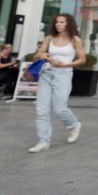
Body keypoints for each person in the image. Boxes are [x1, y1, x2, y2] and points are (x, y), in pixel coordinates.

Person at [28, 13, 85, 152]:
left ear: (68, 24)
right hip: (47, 74)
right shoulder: (49, 38)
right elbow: (38, 54)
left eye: (62, 22)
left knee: (60, 109)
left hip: (63, 75)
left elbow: (82, 59)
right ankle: (43, 141)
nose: (58, 24)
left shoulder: (75, 40)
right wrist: (42, 55)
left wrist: (65, 64)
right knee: (41, 110)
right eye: (57, 22)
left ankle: (73, 125)